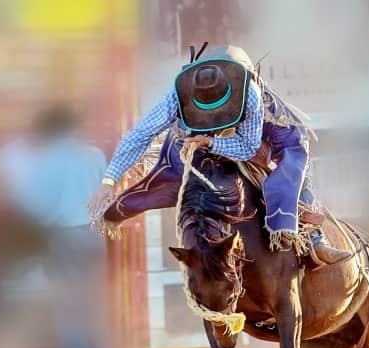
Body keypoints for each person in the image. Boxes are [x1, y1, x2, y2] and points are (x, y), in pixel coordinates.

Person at [88, 44, 349, 265]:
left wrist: (212, 144)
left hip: (257, 130)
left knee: (293, 160)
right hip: (199, 137)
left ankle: (313, 238)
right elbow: (140, 134)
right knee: (173, 169)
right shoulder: (177, 94)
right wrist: (108, 181)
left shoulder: (252, 95)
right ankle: (124, 211)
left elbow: (248, 147)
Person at [9, 105, 115, 348]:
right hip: (94, 234)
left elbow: (33, 206)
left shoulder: (43, 161)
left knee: (70, 308)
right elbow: (108, 194)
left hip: (62, 236)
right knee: (95, 304)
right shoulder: (94, 154)